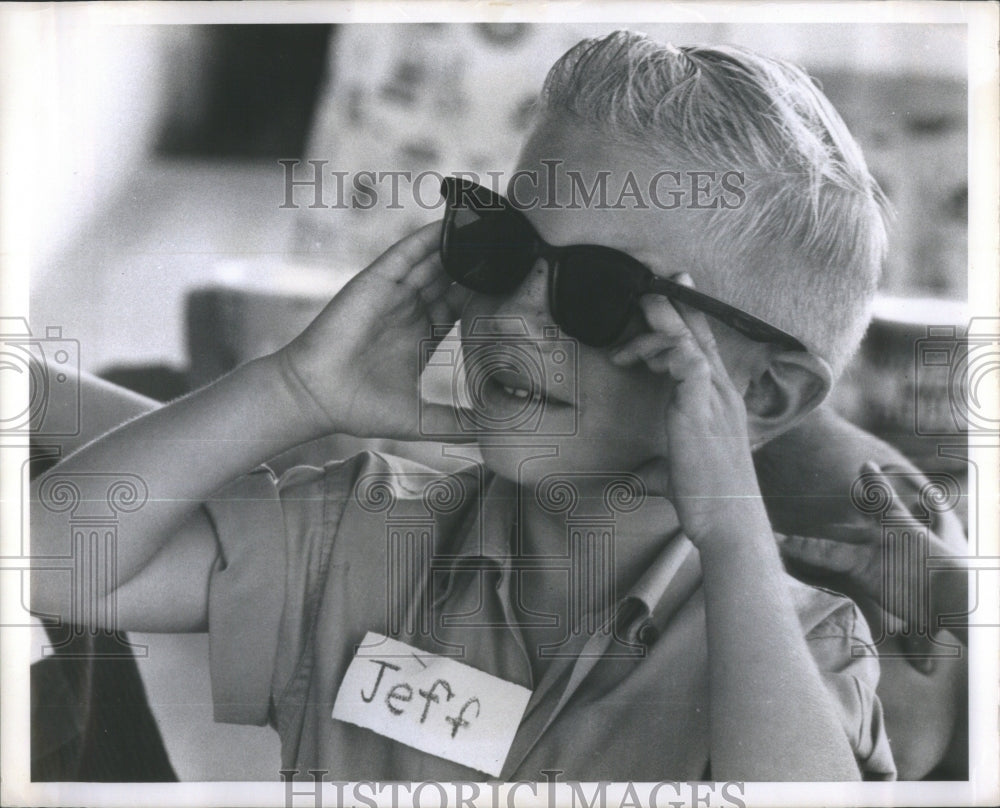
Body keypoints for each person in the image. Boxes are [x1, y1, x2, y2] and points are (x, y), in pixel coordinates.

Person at [31, 31, 965, 782]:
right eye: (501, 249)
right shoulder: (359, 529)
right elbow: (49, 564)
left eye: (600, 292)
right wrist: (292, 389)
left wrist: (731, 532)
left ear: (760, 394)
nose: (515, 314)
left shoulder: (805, 644)